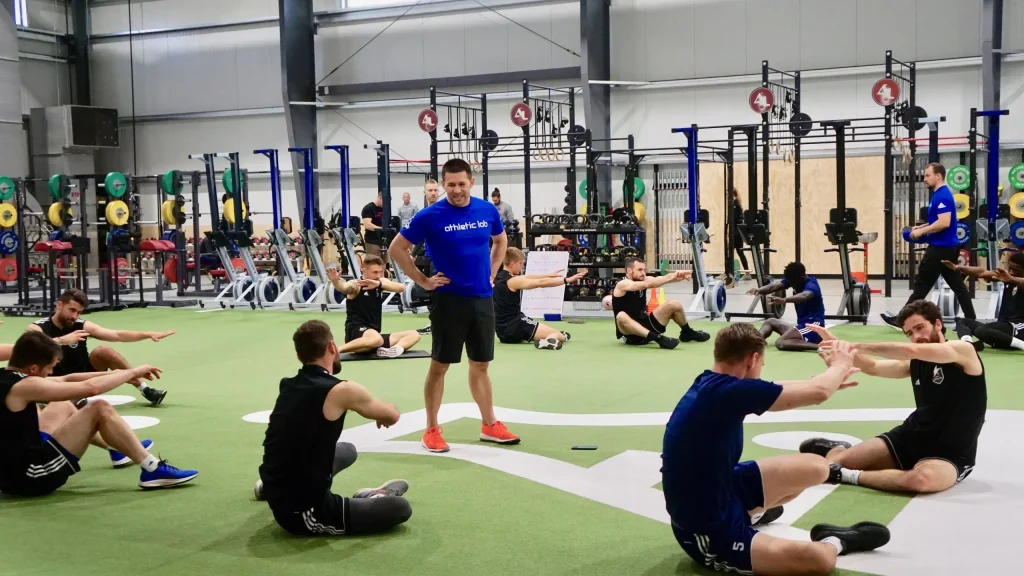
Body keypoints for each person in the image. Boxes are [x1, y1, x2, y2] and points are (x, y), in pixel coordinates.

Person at [663, 323, 889, 576]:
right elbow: (819, 393)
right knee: (818, 561)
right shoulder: (727, 393)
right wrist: (840, 364)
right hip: (705, 527)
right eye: (761, 364)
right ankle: (836, 541)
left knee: (816, 467)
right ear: (752, 359)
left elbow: (773, 386)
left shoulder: (711, 383)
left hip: (723, 489)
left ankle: (751, 515)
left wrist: (821, 381)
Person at [389, 158, 519, 453]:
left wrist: (493, 271)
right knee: (440, 365)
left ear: (471, 182)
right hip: (448, 300)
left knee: (481, 364)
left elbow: (500, 241)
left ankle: (489, 425)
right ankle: (431, 430)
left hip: (482, 298)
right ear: (442, 185)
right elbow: (397, 249)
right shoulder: (429, 215)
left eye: (462, 184)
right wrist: (423, 281)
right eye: (451, 185)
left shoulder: (487, 210)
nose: (457, 190)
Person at [801, 299, 986, 495]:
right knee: (833, 462)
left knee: (920, 481)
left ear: (938, 324)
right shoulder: (915, 362)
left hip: (951, 452)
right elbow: (873, 367)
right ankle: (838, 449)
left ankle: (845, 475)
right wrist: (842, 351)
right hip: (910, 436)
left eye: (920, 328)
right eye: (910, 333)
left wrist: (854, 345)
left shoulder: (962, 350)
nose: (916, 337)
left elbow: (910, 350)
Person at [255, 320, 412, 536]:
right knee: (400, 508)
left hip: (279, 485)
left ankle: (268, 487)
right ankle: (375, 497)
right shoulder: (342, 390)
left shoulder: (288, 384)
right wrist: (384, 411)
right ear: (331, 346)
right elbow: (391, 415)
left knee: (347, 450)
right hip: (305, 512)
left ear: (299, 356)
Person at [0, 332, 198, 497]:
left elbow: (66, 379)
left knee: (61, 404)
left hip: (9, 472)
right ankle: (152, 468)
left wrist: (118, 375)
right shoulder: (25, 386)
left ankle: (118, 447)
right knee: (99, 408)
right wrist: (131, 372)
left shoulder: (7, 377)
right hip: (31, 476)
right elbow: (91, 388)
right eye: (50, 368)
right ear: (33, 368)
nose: (50, 373)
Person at [28, 289, 174, 405]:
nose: (75, 316)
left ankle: (145, 389)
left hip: (83, 376)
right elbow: (31, 347)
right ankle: (68, 399)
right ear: (59, 305)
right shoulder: (38, 327)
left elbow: (116, 335)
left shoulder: (80, 325)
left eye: (79, 312)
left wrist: (147, 334)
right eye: (72, 310)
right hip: (55, 381)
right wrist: (61, 340)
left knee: (103, 351)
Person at [882, 163, 976, 327]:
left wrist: (922, 232)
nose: (924, 179)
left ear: (938, 176)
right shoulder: (940, 194)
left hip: (940, 249)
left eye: (927, 175)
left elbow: (944, 222)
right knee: (957, 285)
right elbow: (939, 221)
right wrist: (922, 227)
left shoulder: (942, 196)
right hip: (948, 247)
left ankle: (901, 320)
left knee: (922, 285)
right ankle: (971, 319)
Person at [326, 255, 421, 358]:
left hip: (373, 336)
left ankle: (392, 350)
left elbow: (401, 288)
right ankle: (338, 350)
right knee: (377, 339)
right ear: (363, 271)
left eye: (380, 272)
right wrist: (335, 281)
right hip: (356, 333)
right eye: (375, 272)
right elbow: (343, 288)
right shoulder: (356, 285)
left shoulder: (380, 282)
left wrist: (379, 284)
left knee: (414, 334)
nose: (378, 275)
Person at [494, 248, 585, 350]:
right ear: (512, 263)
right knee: (560, 336)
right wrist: (567, 280)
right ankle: (550, 340)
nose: (522, 266)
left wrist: (548, 275)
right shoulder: (513, 281)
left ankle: (550, 335)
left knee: (556, 333)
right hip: (516, 326)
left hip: (502, 332)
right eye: (520, 263)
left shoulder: (499, 277)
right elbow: (541, 283)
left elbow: (527, 277)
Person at [611, 258, 709, 349]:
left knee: (674, 304)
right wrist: (672, 276)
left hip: (646, 324)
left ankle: (687, 332)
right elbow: (648, 284)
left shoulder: (642, 279)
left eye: (644, 270)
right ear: (629, 270)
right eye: (640, 270)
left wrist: (679, 275)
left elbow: (658, 279)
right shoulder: (622, 284)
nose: (643, 273)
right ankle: (658, 339)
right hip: (631, 334)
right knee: (621, 316)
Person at [947, 251, 1024, 351]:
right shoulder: (1006, 276)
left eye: (1016, 270)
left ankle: (1021, 344)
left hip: (1018, 328)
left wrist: (1012, 279)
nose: (1012, 272)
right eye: (1010, 268)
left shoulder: (1013, 279)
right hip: (1004, 327)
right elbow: (982, 272)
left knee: (982, 330)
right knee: (963, 322)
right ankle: (968, 344)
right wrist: (958, 267)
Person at [747, 261, 826, 351]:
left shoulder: (812, 285)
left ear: (802, 277)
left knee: (780, 342)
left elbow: (804, 296)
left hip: (813, 327)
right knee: (770, 322)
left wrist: (785, 300)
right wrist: (758, 290)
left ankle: (820, 347)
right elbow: (773, 287)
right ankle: (756, 343)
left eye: (792, 283)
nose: (791, 284)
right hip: (801, 326)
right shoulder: (795, 279)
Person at [361, 191, 389, 264]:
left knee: (384, 264)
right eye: (385, 201)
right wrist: (381, 229)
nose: (385, 204)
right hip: (372, 241)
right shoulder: (369, 208)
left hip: (383, 242)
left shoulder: (383, 209)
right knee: (373, 264)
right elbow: (367, 225)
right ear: (380, 198)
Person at [730, 188, 749, 278]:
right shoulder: (737, 203)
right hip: (738, 232)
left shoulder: (735, 204)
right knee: (739, 252)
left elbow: (734, 219)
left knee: (730, 253)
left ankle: (729, 273)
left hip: (735, 232)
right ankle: (747, 273)